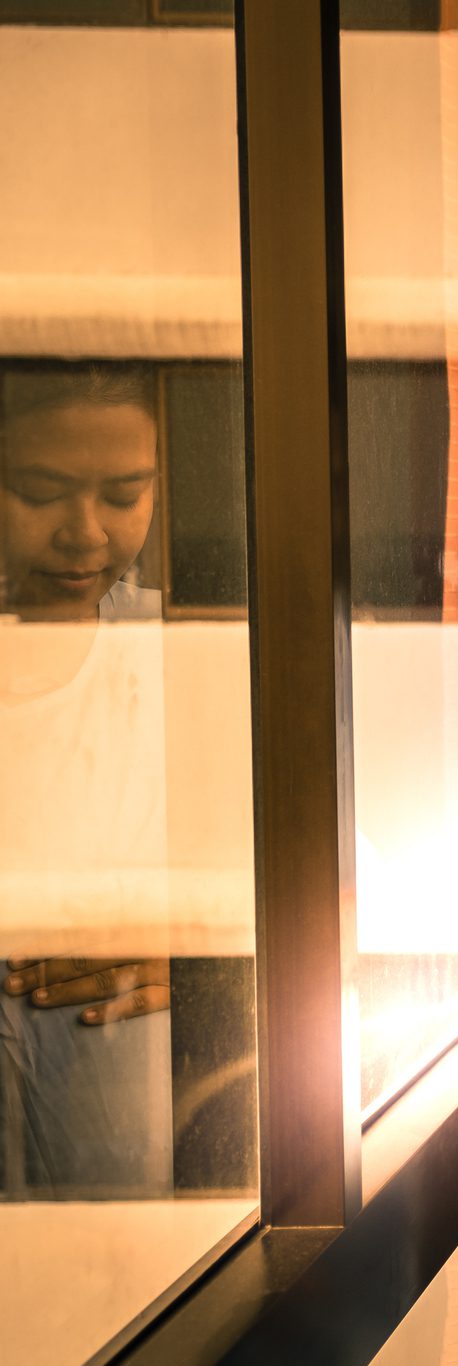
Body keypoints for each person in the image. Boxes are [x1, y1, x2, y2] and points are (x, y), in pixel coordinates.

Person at [0, 363, 174, 1194]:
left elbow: (331, 879)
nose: (85, 532)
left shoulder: (178, 651)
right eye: (40, 491)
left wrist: (203, 964)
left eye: (124, 493)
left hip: (114, 1104)